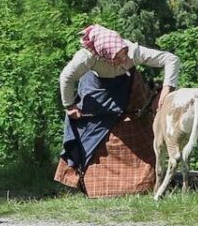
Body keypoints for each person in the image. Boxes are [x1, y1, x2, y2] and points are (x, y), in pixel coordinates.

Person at [55, 24, 180, 197]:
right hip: (96, 98)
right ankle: (91, 185)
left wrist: (166, 90)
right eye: (117, 58)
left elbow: (171, 59)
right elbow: (66, 77)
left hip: (129, 99)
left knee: (144, 139)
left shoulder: (132, 52)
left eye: (124, 55)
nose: (123, 60)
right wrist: (69, 105)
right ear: (102, 55)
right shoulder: (86, 57)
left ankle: (147, 183)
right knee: (88, 138)